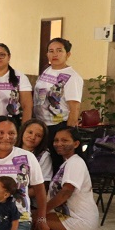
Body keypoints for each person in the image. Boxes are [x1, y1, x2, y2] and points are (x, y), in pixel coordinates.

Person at [39, 127, 108, 230]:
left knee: (32, 219)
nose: (59, 143)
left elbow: (65, 193)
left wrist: (42, 212)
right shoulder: (68, 162)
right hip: (77, 218)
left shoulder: (75, 163)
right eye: (56, 140)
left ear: (76, 144)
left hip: (80, 220)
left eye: (65, 140)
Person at [34, 38, 83, 168]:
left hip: (58, 126)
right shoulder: (47, 70)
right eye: (51, 51)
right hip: (41, 124)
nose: (54, 54)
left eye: (59, 51)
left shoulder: (72, 77)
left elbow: (74, 108)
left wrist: (68, 133)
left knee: (57, 163)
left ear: (68, 54)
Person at [16, 119, 52, 184]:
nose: (33, 137)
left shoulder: (44, 156)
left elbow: (44, 186)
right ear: (23, 131)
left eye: (38, 135)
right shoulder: (10, 149)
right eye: (30, 132)